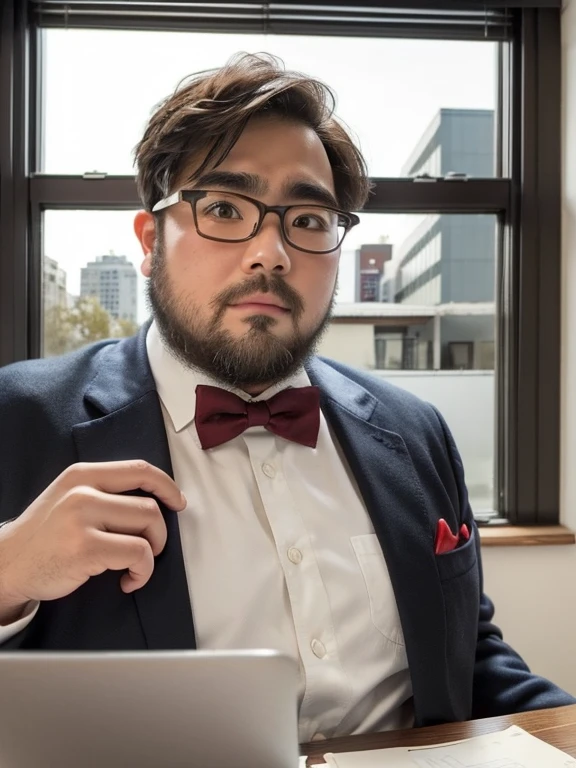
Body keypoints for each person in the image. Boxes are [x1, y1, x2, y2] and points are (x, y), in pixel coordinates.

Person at [0, 53, 572, 741]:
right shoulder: (20, 420)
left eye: (306, 219)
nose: (270, 252)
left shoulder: (415, 432)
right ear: (151, 241)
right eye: (222, 207)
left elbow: (471, 659)